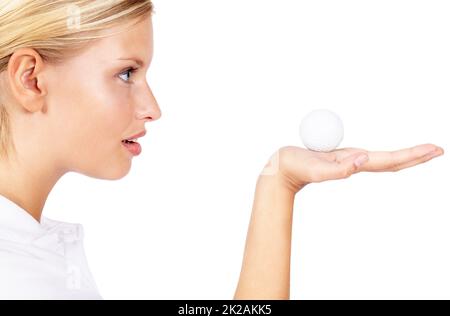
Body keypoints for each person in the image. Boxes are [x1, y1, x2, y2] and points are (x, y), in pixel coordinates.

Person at [0, 0, 444, 300]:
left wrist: (279, 182)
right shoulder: (15, 273)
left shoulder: (30, 252)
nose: (152, 109)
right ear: (31, 79)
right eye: (126, 73)